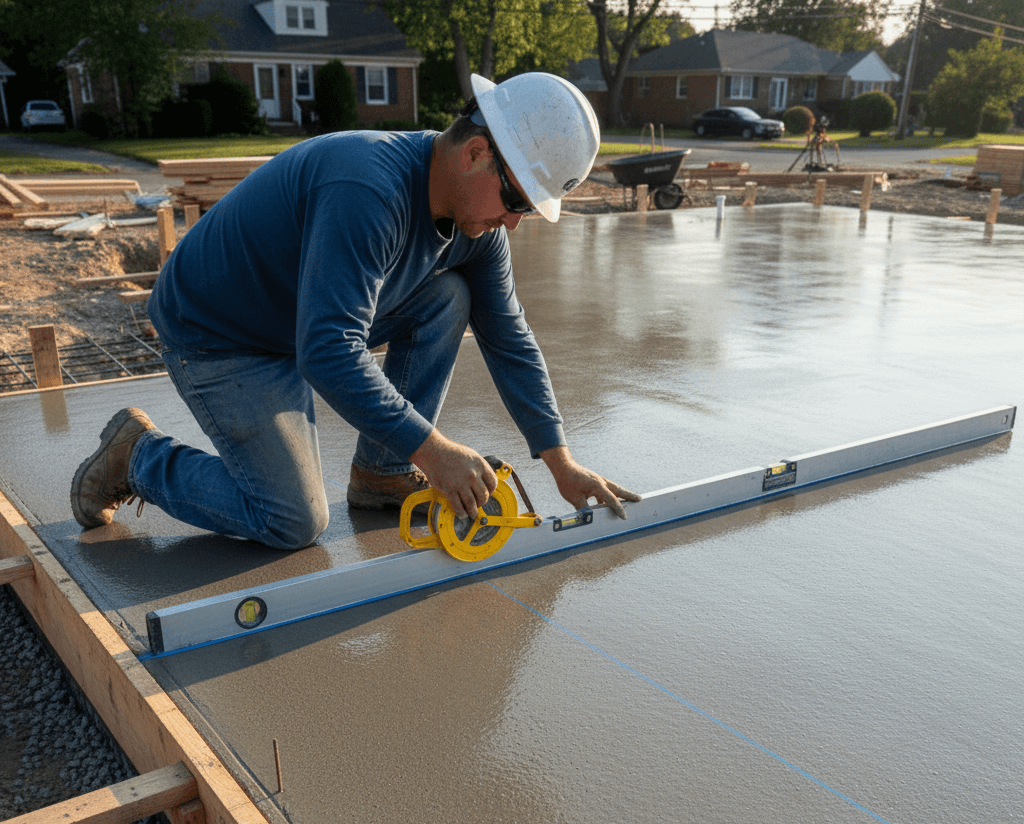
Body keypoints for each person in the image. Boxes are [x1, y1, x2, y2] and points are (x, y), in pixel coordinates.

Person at [71, 72, 640, 549]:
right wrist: (434, 450)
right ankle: (136, 457)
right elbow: (326, 350)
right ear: (475, 153)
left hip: (295, 315)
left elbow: (509, 336)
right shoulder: (368, 189)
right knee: (292, 519)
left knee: (451, 296)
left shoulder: (478, 228)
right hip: (221, 331)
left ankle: (380, 475)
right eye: (517, 200)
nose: (515, 220)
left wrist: (560, 460)